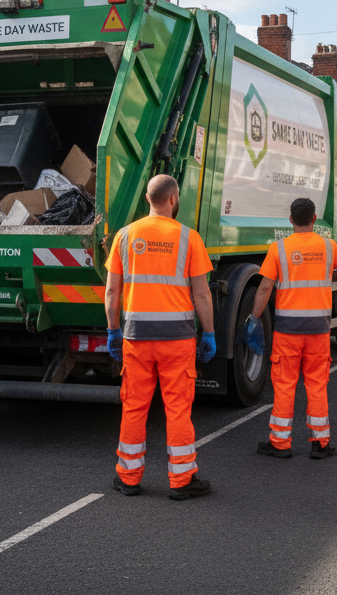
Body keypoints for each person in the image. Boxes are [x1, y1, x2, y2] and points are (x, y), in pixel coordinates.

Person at [104, 174, 215, 500]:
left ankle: (128, 478)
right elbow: (202, 294)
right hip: (177, 340)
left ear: (148, 200)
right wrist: (208, 333)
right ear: (173, 199)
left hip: (136, 338)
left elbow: (112, 290)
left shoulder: (125, 236)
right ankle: (182, 481)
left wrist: (113, 330)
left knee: (134, 407)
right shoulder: (188, 237)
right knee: (178, 409)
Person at [247, 198, 337, 460]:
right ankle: (320, 443)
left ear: (291, 220)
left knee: (285, 385)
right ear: (313, 219)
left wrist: (255, 318)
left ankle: (280, 443)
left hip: (288, 330)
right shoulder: (327, 246)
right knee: (316, 384)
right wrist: (333, 275)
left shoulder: (279, 248)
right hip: (319, 330)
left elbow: (265, 287)